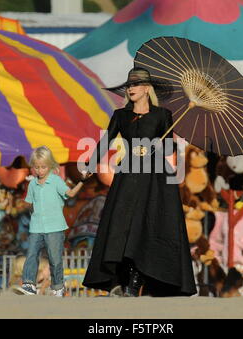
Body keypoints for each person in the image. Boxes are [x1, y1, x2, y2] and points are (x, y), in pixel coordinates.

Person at [81, 67, 197, 297]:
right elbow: (106, 142)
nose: (130, 88)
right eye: (129, 85)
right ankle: (124, 277)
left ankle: (137, 278)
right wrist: (90, 164)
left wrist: (157, 146)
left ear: (146, 89)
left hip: (155, 179)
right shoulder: (120, 115)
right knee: (121, 226)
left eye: (135, 85)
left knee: (147, 225)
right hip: (128, 175)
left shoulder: (162, 115)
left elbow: (170, 147)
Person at [14, 146, 85, 297]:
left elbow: (70, 193)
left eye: (43, 167)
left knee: (55, 258)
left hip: (55, 226)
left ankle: (58, 286)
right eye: (36, 167)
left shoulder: (55, 181)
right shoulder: (32, 184)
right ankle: (29, 284)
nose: (39, 170)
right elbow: (30, 203)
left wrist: (81, 182)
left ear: (50, 165)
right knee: (31, 254)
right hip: (36, 227)